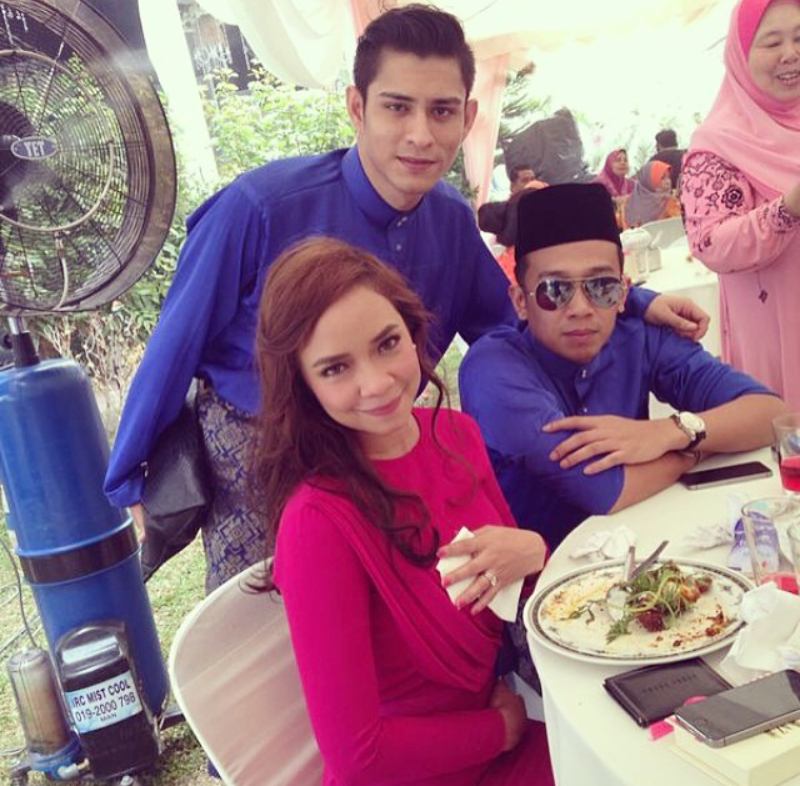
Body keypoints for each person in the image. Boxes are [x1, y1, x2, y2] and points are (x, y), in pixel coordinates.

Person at [104, 4, 709, 592]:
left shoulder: (448, 217)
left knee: (394, 604)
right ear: (357, 107)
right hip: (261, 447)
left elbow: (517, 310)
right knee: (268, 624)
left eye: (441, 110)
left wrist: (630, 301)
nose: (421, 135)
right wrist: (130, 479)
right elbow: (175, 343)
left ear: (467, 117)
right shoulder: (260, 207)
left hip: (385, 435)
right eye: (397, 107)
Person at [252, 237, 554, 786]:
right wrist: (500, 730)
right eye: (335, 368)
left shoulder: (457, 435)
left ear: (412, 332)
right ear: (303, 385)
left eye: (387, 344)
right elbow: (358, 757)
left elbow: (512, 585)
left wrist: (536, 550)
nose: (376, 383)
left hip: (496, 746)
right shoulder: (317, 522)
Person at [459, 183, 786, 550]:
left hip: (645, 548)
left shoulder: (638, 337)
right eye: (555, 290)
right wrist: (696, 448)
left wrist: (669, 432)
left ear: (623, 293)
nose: (580, 308)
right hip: (543, 573)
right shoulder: (494, 369)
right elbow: (605, 490)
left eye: (602, 287)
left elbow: (770, 414)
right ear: (521, 301)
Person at [681, 0, 800, 408]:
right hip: (780, 333)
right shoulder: (718, 144)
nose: (791, 54)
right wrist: (787, 209)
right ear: (740, 53)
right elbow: (710, 243)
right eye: (772, 43)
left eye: (799, 38)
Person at [622, 161, 680, 228]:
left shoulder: (670, 202)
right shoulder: (628, 202)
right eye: (662, 178)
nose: (668, 181)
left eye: (668, 177)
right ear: (649, 180)